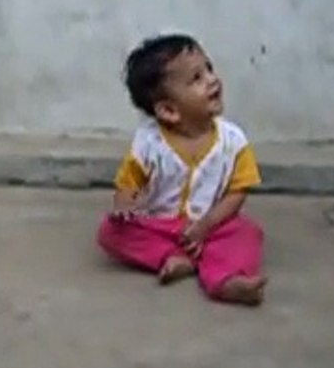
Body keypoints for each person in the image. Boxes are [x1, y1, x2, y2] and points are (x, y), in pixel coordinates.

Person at [96, 33, 267, 305]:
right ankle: (177, 257)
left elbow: (237, 193)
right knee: (110, 231)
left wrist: (205, 226)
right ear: (168, 111)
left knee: (247, 232)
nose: (212, 79)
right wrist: (124, 207)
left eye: (209, 68)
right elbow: (128, 184)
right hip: (161, 225)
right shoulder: (149, 142)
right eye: (196, 78)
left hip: (212, 225)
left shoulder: (232, 141)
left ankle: (226, 280)